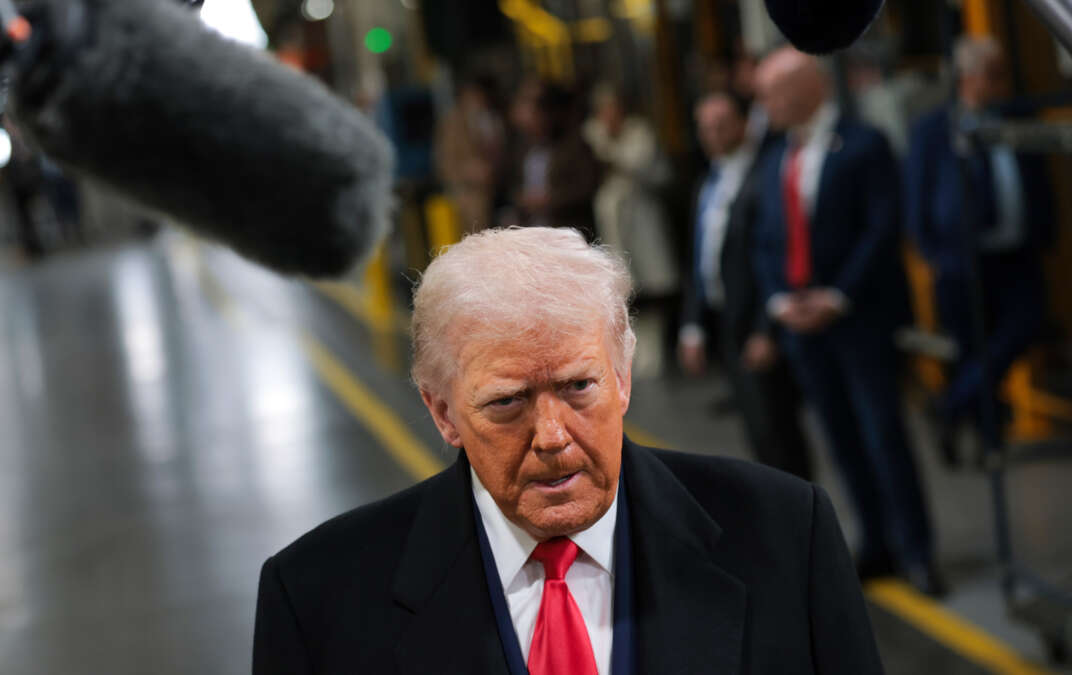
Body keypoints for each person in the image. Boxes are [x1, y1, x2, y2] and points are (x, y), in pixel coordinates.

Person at [253, 227, 883, 674]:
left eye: (579, 386)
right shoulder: (316, 600)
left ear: (625, 377)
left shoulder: (785, 535)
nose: (552, 436)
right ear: (442, 411)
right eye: (507, 402)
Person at [751, 48, 943, 595]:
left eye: (772, 93)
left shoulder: (864, 145)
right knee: (841, 441)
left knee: (884, 435)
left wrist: (836, 296)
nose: (764, 105)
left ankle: (917, 551)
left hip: (858, 321)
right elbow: (766, 239)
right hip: (803, 328)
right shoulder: (776, 159)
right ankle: (876, 544)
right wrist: (780, 302)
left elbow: (881, 229)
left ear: (808, 88)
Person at [905, 36, 1054, 456]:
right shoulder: (934, 128)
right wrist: (933, 252)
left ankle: (951, 406)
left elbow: (1039, 178)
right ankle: (986, 438)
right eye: (992, 75)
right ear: (967, 77)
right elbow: (917, 193)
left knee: (1022, 327)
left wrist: (1046, 231)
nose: (1001, 84)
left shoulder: (1016, 116)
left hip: (1017, 252)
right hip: (962, 258)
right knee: (972, 345)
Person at [679, 91, 813, 482]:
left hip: (757, 324)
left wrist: (766, 329)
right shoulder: (707, 182)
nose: (713, 135)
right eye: (705, 128)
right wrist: (692, 326)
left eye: (721, 125)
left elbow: (772, 258)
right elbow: (699, 259)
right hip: (724, 323)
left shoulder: (764, 175)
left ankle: (801, 523)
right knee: (757, 434)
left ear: (742, 125)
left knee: (779, 435)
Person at [582, 84, 677, 299]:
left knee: (652, 281)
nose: (609, 115)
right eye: (603, 109)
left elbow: (638, 164)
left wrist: (608, 151)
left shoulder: (639, 132)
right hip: (610, 217)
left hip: (641, 212)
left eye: (613, 108)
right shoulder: (592, 133)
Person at [504, 83, 601, 239]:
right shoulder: (523, 148)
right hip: (535, 236)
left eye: (534, 112)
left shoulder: (574, 145)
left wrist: (550, 200)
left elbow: (588, 186)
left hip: (568, 234)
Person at [435, 75, 506, 234]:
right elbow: (445, 163)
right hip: (473, 199)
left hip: (502, 194)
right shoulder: (453, 123)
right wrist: (467, 172)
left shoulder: (498, 117)